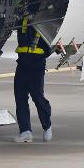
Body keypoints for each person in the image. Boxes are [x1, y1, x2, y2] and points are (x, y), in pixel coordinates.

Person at [14, 15, 53, 143]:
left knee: (38, 97)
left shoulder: (43, 21)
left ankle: (47, 126)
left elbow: (49, 47)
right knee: (20, 98)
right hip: (22, 63)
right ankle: (25, 131)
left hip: (36, 65)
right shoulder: (22, 20)